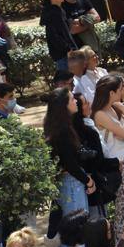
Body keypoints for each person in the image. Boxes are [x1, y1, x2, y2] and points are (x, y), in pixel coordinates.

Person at [91, 75, 124, 239]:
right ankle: (122, 242)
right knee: (123, 207)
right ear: (111, 92)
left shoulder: (118, 107)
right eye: (120, 89)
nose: (123, 91)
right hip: (118, 165)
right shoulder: (99, 114)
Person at [45, 87, 97, 216]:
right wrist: (88, 181)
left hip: (69, 181)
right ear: (64, 105)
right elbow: (69, 163)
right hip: (71, 183)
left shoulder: (56, 125)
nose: (76, 101)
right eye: (72, 99)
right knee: (77, 227)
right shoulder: (62, 130)